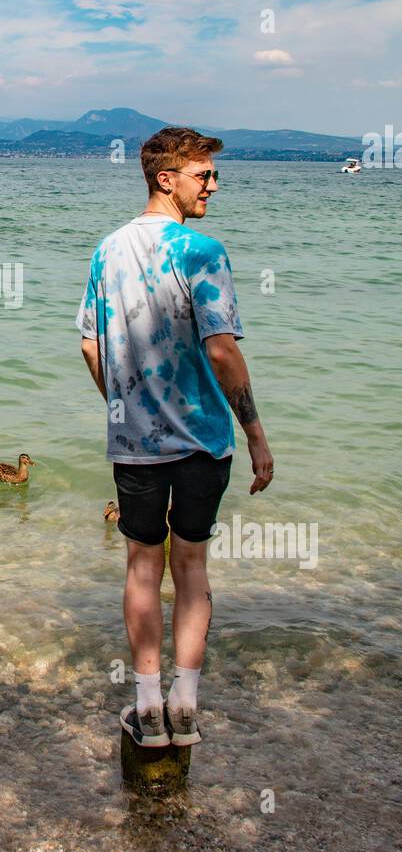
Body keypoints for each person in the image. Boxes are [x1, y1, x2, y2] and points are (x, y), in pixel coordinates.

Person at [75, 126, 274, 748]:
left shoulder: (107, 250)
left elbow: (89, 342)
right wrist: (256, 433)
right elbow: (222, 352)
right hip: (204, 440)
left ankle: (148, 708)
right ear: (168, 179)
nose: (214, 185)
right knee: (190, 565)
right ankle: (186, 704)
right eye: (203, 175)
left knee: (140, 566)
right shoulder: (202, 250)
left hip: (135, 442)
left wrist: (122, 404)